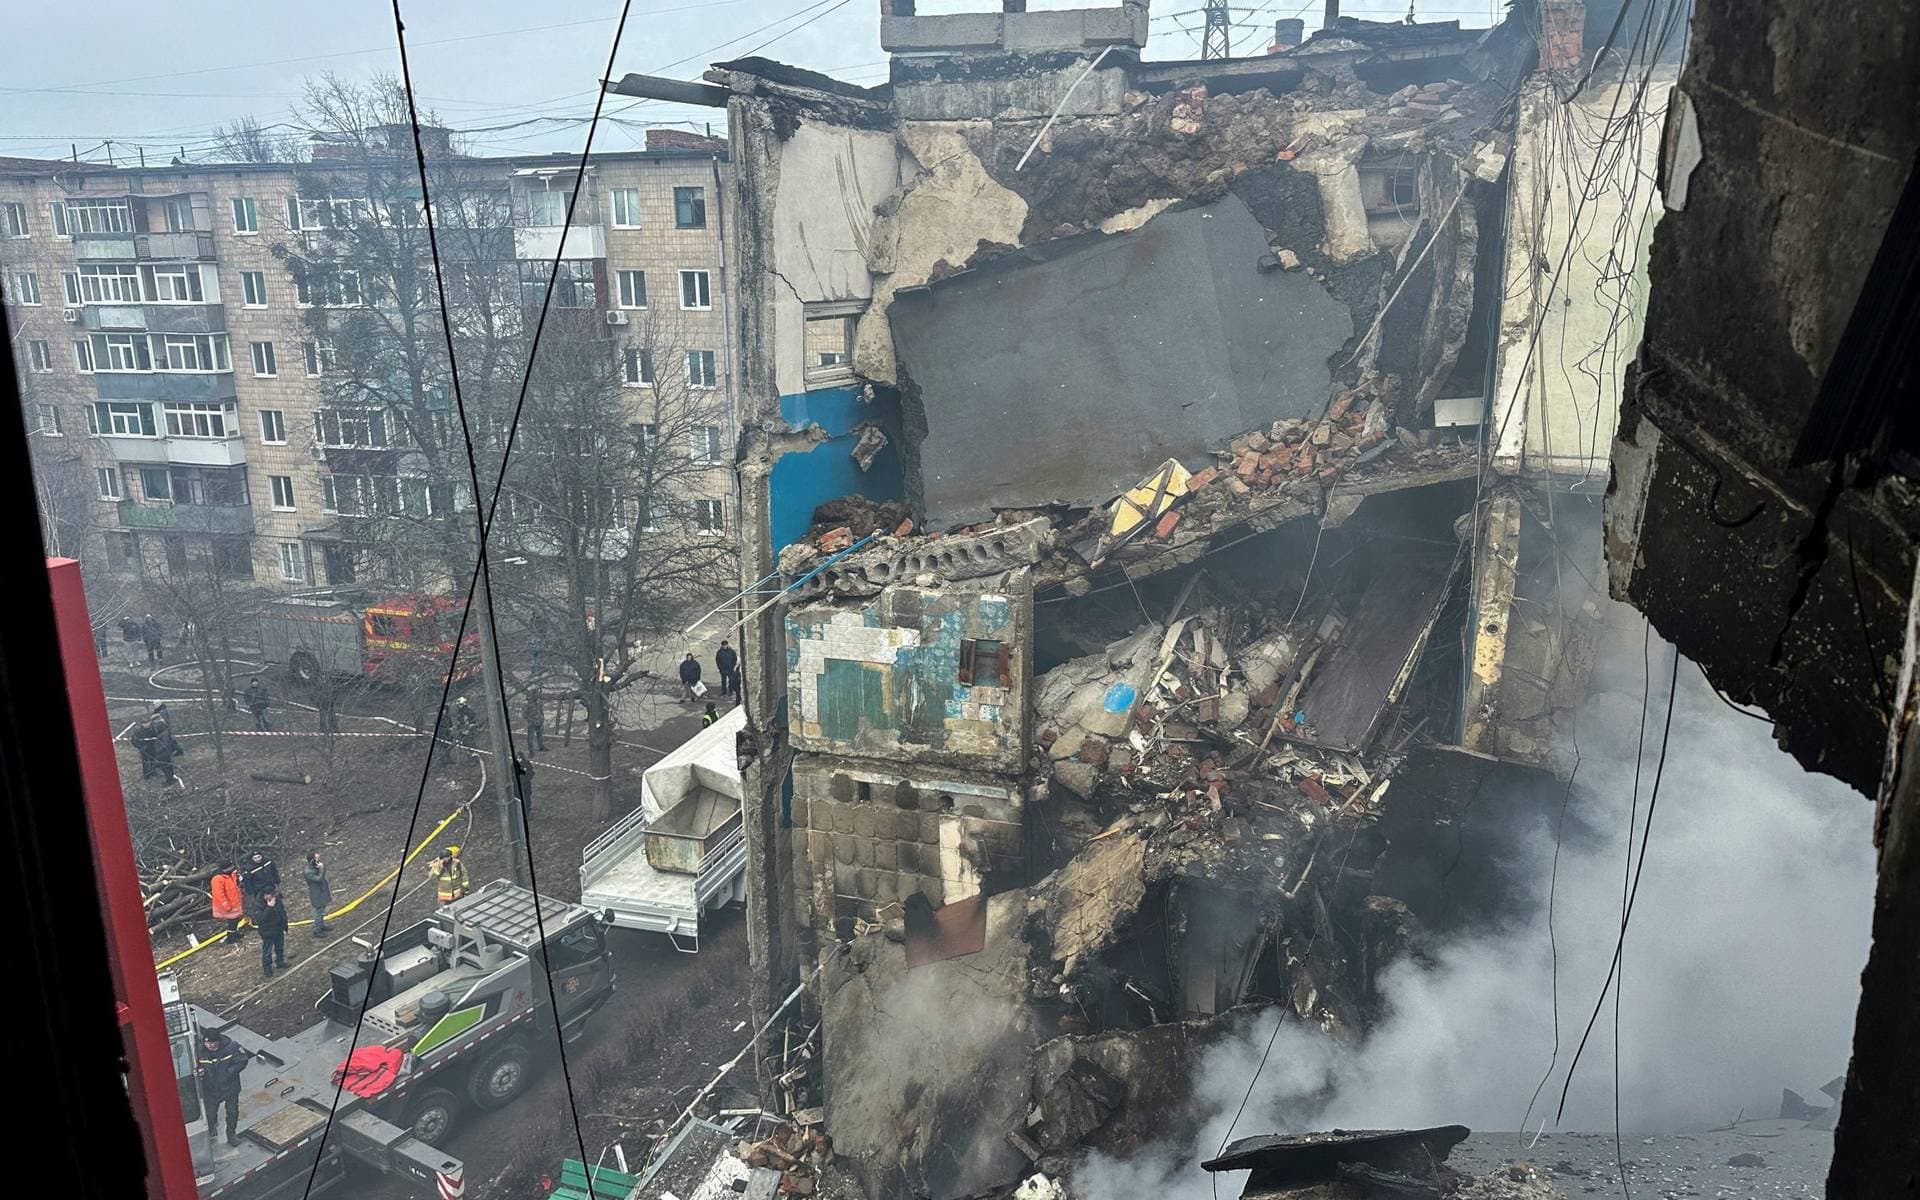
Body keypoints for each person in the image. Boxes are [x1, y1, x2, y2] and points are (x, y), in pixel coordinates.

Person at [196, 1028, 247, 1147]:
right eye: (208, 1043)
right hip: (211, 1090)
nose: (211, 1046)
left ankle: (231, 1135)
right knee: (210, 1114)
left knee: (232, 1112)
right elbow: (196, 1065)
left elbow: (242, 1061)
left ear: (219, 1041)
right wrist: (199, 1071)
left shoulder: (231, 1047)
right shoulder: (199, 1051)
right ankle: (212, 1131)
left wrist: (229, 1072)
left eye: (213, 1043)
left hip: (230, 1087)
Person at [240, 850, 279, 933]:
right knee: (263, 906)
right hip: (259, 890)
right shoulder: (249, 868)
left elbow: (274, 871)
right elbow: (248, 882)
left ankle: (277, 917)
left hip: (270, 886)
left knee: (276, 902)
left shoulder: (268, 861)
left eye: (259, 857)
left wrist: (277, 881)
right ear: (252, 858)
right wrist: (250, 892)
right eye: (255, 858)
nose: (258, 859)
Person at [256, 891, 289, 977]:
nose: (271, 898)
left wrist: (284, 925)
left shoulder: (277, 900)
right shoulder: (259, 905)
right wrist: (269, 907)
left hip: (278, 928)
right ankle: (267, 968)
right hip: (267, 932)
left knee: (279, 947)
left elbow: (282, 912)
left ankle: (280, 961)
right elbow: (261, 919)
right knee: (267, 951)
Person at [210, 864, 245, 943]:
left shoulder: (232, 875)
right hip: (226, 905)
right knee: (232, 921)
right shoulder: (217, 879)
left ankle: (234, 933)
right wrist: (226, 905)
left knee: (235, 919)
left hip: (234, 902)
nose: (231, 868)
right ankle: (231, 937)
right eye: (228, 867)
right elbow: (219, 894)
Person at [304, 853, 333, 937]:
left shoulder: (315, 866)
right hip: (317, 893)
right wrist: (322, 868)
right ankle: (317, 929)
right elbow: (319, 879)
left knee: (322, 910)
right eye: (317, 858)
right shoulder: (308, 872)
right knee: (319, 912)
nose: (319, 860)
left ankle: (321, 925)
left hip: (321, 891)